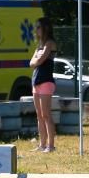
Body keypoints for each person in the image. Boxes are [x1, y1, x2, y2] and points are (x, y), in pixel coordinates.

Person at [30, 17, 58, 153]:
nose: (36, 30)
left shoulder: (50, 43)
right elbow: (31, 63)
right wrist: (36, 61)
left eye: (38, 27)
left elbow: (40, 60)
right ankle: (42, 144)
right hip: (36, 81)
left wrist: (36, 60)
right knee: (39, 115)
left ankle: (51, 146)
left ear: (45, 28)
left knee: (46, 114)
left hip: (46, 81)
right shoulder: (40, 44)